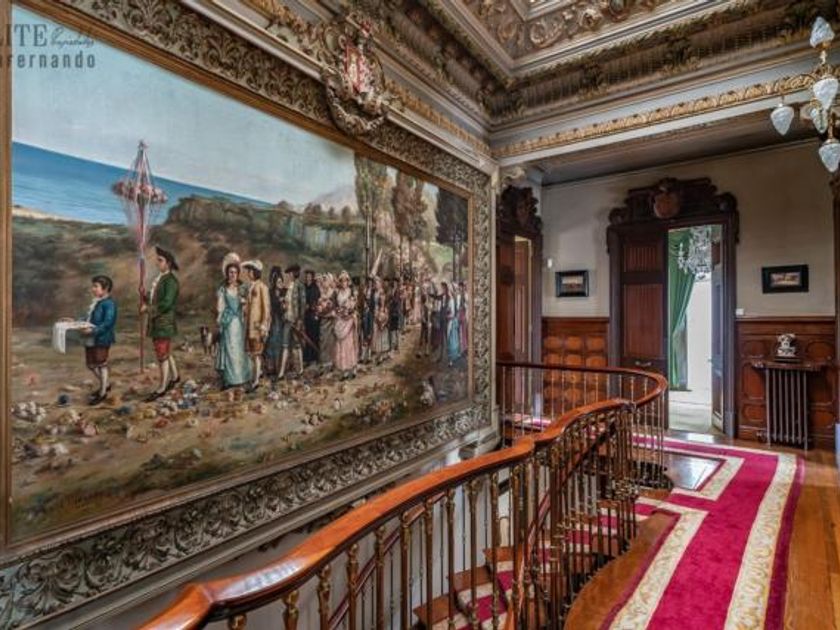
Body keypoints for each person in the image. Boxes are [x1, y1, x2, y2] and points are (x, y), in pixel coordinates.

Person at [143, 246, 180, 401]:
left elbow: (166, 303)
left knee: (162, 355)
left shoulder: (170, 281)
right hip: (158, 322)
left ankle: (162, 387)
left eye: (160, 260)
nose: (157, 263)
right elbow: (154, 299)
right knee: (165, 351)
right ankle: (175, 377)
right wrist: (144, 296)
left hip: (164, 322)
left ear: (168, 263)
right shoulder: (161, 278)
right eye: (157, 260)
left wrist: (148, 309)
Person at [215, 254, 251, 389]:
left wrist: (244, 305)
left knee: (239, 350)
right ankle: (229, 379)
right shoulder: (223, 289)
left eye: (235, 272)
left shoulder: (242, 288)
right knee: (229, 349)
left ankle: (241, 377)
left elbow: (247, 306)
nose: (232, 275)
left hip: (239, 323)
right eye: (230, 272)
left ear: (238, 274)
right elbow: (220, 307)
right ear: (227, 273)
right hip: (228, 323)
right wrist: (220, 321)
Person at [82, 275, 117, 405]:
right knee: (91, 364)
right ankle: (106, 384)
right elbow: (89, 318)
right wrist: (75, 321)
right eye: (93, 286)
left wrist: (93, 330)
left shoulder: (109, 304)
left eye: (96, 286)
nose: (93, 289)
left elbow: (108, 323)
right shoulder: (97, 302)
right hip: (91, 338)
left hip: (102, 338)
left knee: (101, 363)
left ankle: (103, 393)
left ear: (105, 288)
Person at [243, 260, 270, 391]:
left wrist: (263, 325)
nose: (248, 273)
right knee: (252, 354)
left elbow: (266, 309)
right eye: (248, 270)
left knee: (256, 354)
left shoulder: (262, 287)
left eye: (250, 270)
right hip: (249, 326)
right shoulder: (251, 287)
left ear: (256, 272)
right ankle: (256, 375)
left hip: (257, 327)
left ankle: (256, 381)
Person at [278, 263, 306, 379]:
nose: (289, 275)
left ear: (295, 273)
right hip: (287, 319)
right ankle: (281, 372)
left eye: (290, 273)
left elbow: (302, 305)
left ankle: (300, 370)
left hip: (295, 321)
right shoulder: (288, 287)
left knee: (297, 346)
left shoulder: (300, 286)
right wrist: (283, 305)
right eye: (288, 273)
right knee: (285, 345)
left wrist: (300, 321)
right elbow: (286, 304)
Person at [333, 271, 358, 379]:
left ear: (348, 282)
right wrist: (339, 311)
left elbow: (354, 306)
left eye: (345, 281)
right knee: (341, 346)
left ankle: (352, 368)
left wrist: (349, 312)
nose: (344, 283)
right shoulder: (338, 293)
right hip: (340, 320)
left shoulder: (351, 292)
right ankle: (344, 371)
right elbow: (336, 306)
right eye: (342, 281)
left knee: (349, 345)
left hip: (348, 321)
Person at [264, 266, 287, 383]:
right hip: (273, 320)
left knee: (280, 344)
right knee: (271, 343)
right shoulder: (271, 293)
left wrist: (284, 304)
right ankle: (271, 367)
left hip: (282, 321)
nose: (280, 284)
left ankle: (280, 368)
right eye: (278, 282)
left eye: (281, 282)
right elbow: (270, 307)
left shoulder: (284, 292)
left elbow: (286, 307)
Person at [303, 269, 321, 367]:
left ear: (312, 277)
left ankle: (314, 358)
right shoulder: (304, 287)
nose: (307, 278)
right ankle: (307, 359)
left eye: (309, 276)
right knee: (307, 337)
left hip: (313, 316)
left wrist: (310, 306)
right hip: (306, 316)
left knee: (314, 337)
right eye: (306, 276)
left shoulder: (315, 288)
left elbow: (316, 302)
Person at [441, 282, 460, 366]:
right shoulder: (451, 300)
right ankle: (452, 358)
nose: (447, 291)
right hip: (451, 322)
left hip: (451, 322)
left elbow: (452, 314)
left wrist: (446, 316)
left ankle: (451, 360)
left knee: (451, 340)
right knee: (451, 340)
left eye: (449, 290)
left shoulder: (452, 301)